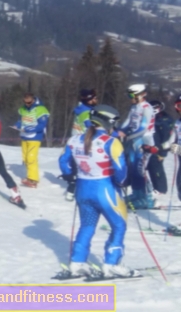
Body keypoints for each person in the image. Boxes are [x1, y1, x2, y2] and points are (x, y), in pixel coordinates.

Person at [59, 105, 133, 278]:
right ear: (108, 121)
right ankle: (112, 264)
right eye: (114, 122)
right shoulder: (111, 142)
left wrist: (70, 176)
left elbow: (63, 162)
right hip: (105, 189)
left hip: (83, 189)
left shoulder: (74, 139)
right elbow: (120, 169)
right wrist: (122, 182)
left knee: (87, 225)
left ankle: (77, 262)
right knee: (119, 225)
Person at [118, 84, 155, 209]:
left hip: (144, 141)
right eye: (128, 95)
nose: (130, 98)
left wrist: (127, 136)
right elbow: (127, 122)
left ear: (141, 95)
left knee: (140, 170)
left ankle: (147, 197)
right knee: (133, 169)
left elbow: (143, 128)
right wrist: (118, 131)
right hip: (134, 141)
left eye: (132, 95)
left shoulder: (147, 108)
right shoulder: (134, 107)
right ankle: (137, 193)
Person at [65, 89, 98, 201]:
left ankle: (73, 188)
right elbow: (91, 127)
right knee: (83, 166)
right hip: (83, 140)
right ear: (88, 100)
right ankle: (73, 190)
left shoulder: (81, 108)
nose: (96, 100)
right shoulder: (86, 112)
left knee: (77, 165)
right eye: (94, 98)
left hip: (76, 139)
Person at [15, 93, 50, 188]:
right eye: (25, 102)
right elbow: (20, 119)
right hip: (24, 136)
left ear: (33, 100)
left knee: (31, 158)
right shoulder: (23, 108)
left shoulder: (40, 109)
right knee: (25, 158)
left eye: (29, 102)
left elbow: (42, 125)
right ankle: (29, 177)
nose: (27, 104)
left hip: (35, 137)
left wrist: (31, 129)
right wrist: (17, 125)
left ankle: (33, 179)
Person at [146, 100, 175, 205]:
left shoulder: (164, 120)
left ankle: (161, 189)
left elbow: (167, 138)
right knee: (150, 167)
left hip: (159, 148)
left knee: (157, 168)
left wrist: (163, 153)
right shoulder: (152, 118)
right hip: (151, 147)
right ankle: (155, 187)